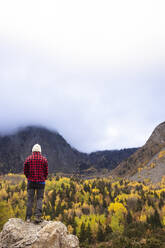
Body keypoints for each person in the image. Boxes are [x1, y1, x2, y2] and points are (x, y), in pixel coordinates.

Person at [24, 144, 48, 223]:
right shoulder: (44, 160)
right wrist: (44, 178)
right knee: (39, 199)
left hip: (31, 182)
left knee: (30, 199)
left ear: (33, 151)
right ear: (40, 151)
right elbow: (46, 172)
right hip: (41, 183)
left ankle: (28, 217)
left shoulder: (28, 159)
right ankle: (37, 217)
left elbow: (25, 171)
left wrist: (28, 177)